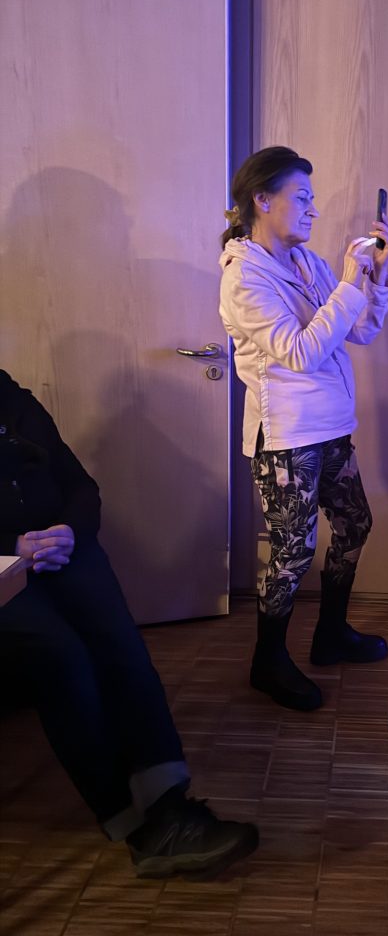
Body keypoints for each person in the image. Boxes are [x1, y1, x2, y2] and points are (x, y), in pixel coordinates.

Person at [0, 369, 259, 878]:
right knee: (62, 655)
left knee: (117, 641)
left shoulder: (12, 397)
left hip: (56, 548)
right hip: (4, 563)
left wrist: (69, 530)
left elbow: (80, 485)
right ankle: (132, 823)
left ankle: (168, 802)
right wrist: (13, 546)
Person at [218, 146, 388, 712]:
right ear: (261, 200)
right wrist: (346, 283)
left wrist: (373, 277)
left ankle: (331, 633)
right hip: (287, 438)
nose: (313, 210)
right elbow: (299, 353)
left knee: (355, 524)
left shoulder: (307, 263)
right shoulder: (243, 277)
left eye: (312, 199)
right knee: (292, 553)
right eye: (302, 198)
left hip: (332, 425)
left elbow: (359, 330)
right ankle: (268, 661)